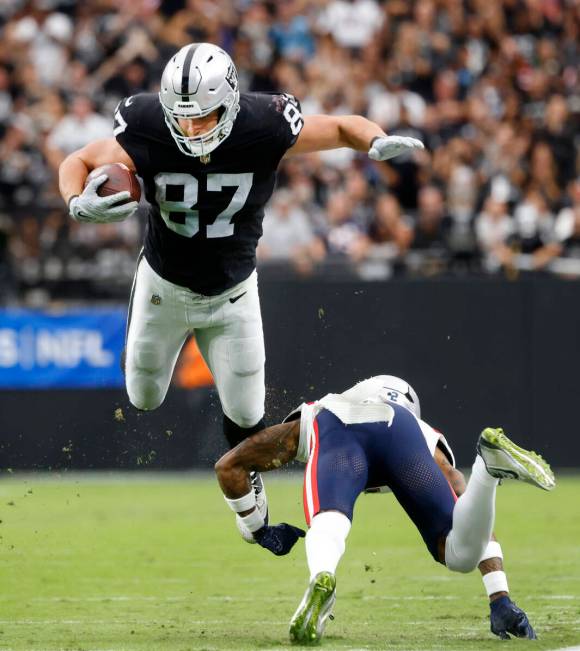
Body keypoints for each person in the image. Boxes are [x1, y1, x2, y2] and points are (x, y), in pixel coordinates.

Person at [57, 43, 423, 526]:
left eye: (203, 118)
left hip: (233, 292)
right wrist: (75, 201)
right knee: (143, 397)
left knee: (249, 415)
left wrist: (374, 141)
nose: (191, 129)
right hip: (163, 285)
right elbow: (77, 161)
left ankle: (245, 491)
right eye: (181, 119)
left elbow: (338, 126)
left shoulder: (264, 123)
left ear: (229, 103)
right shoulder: (145, 122)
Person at [214, 375, 555, 645]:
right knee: (459, 552)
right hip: (400, 434)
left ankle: (323, 577)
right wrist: (499, 596)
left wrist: (260, 530)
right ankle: (487, 470)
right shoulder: (418, 426)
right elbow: (461, 498)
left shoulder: (322, 408)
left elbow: (229, 467)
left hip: (337, 426)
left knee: (329, 520)